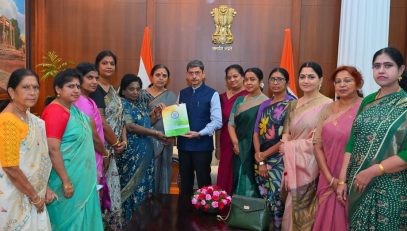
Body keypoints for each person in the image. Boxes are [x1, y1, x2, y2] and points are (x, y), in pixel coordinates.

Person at [336, 47, 407, 230]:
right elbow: (352, 142)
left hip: (391, 187)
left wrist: (375, 170)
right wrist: (343, 180)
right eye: (377, 66)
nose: (381, 70)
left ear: (401, 70)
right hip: (358, 184)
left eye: (388, 65)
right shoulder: (367, 101)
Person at [42, 69, 103, 230]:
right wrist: (66, 181)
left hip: (81, 178)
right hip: (66, 179)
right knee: (68, 222)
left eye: (77, 86)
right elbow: (52, 149)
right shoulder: (55, 111)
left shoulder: (72, 110)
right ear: (58, 89)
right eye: (70, 86)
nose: (76, 90)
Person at [280, 62, 332, 231]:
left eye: (311, 77)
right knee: (290, 206)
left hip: (313, 165)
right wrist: (285, 144)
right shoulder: (293, 104)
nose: (306, 80)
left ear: (321, 80)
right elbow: (286, 133)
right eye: (302, 77)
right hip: (292, 163)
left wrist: (289, 146)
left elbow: (322, 140)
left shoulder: (328, 104)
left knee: (309, 208)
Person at [0, 69, 53, 230]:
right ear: (11, 91)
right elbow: (10, 167)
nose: (33, 92)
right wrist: (35, 198)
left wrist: (44, 187)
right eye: (26, 87)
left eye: (36, 87)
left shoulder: (31, 119)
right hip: (14, 195)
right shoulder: (7, 121)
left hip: (32, 192)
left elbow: (39, 160)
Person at [312, 66, 363, 231]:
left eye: (348, 80)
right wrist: (330, 179)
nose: (342, 85)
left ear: (358, 83)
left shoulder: (366, 108)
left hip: (354, 176)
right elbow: (317, 145)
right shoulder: (327, 108)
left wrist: (343, 180)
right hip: (327, 176)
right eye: (338, 81)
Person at [117, 74, 166, 222]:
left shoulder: (139, 104)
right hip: (132, 154)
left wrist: (155, 116)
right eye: (131, 89)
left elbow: (145, 124)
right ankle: (129, 221)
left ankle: (143, 221)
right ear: (123, 91)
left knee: (145, 185)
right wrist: (156, 133)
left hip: (146, 151)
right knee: (132, 187)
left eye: (138, 89)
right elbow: (131, 126)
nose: (135, 92)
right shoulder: (122, 103)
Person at [253, 68, 296, 230]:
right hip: (260, 158)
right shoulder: (264, 104)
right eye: (272, 79)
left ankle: (278, 227)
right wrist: (260, 157)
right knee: (264, 196)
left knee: (278, 197)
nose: (276, 83)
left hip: (280, 158)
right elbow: (256, 132)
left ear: (287, 82)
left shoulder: (292, 104)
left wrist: (264, 155)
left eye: (280, 79)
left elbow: (288, 134)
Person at [89, 50, 125, 229]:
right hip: (101, 149)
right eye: (105, 63)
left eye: (112, 63)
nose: (109, 66)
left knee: (112, 188)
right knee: (104, 190)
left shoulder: (112, 89)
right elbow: (101, 123)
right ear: (97, 66)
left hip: (115, 148)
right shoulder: (95, 90)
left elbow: (121, 117)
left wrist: (123, 140)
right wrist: (116, 143)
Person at [177, 59, 222, 197]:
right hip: (184, 146)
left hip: (202, 146)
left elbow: (217, 121)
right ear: (187, 75)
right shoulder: (182, 93)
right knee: (185, 183)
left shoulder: (212, 93)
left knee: (204, 183)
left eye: (197, 73)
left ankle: (205, 213)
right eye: (191, 73)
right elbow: (177, 118)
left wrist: (200, 133)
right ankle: (184, 213)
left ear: (203, 75)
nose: (194, 76)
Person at [74, 62, 111, 210]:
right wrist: (105, 153)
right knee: (88, 199)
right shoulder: (80, 102)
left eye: (96, 78)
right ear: (79, 79)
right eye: (90, 78)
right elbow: (93, 135)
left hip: (95, 154)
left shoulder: (89, 100)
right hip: (87, 155)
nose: (94, 82)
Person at [228, 67, 269, 197]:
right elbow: (231, 124)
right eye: (246, 80)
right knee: (238, 179)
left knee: (252, 182)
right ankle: (238, 211)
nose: (249, 83)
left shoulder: (266, 102)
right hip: (238, 148)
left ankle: (252, 214)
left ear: (260, 81)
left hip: (256, 150)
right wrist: (235, 143)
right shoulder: (239, 100)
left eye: (253, 79)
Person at [215, 64, 248, 195]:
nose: (232, 80)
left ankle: (237, 208)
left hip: (241, 143)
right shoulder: (220, 97)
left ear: (243, 77)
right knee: (224, 174)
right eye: (229, 77)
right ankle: (222, 205)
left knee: (238, 175)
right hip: (224, 141)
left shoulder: (248, 96)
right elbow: (218, 124)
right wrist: (217, 147)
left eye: (235, 76)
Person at [146, 64, 177, 194]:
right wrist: (154, 112)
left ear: (168, 79)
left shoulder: (171, 95)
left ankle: (163, 207)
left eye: (164, 76)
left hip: (166, 141)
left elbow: (176, 121)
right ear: (151, 77)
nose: (161, 78)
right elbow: (138, 120)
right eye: (158, 75)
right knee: (148, 173)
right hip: (147, 140)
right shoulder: (142, 95)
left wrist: (171, 136)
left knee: (164, 173)